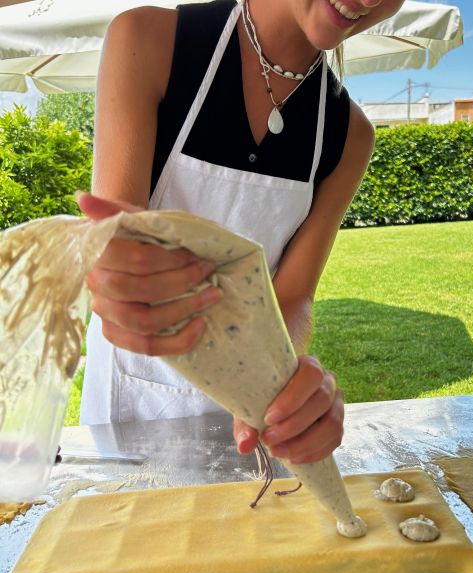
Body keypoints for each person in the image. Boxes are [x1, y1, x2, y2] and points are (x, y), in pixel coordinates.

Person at [78, 0, 405, 466]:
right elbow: (118, 245)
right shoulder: (149, 42)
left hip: (245, 415)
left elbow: (292, 297)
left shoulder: (349, 135)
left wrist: (283, 390)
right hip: (133, 400)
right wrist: (115, 277)